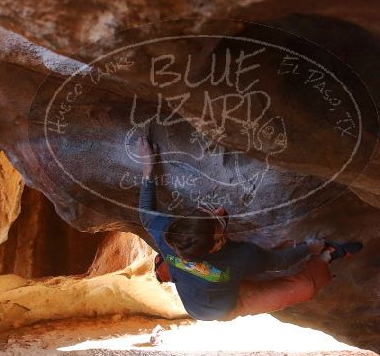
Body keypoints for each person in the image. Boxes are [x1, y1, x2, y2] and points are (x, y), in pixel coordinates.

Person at [136, 135, 362, 321]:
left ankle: (164, 268)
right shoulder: (242, 256)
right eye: (219, 234)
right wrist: (311, 249)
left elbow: (145, 209)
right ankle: (328, 256)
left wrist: (148, 165)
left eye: (210, 219)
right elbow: (280, 261)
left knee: (182, 269)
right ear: (213, 249)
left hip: (204, 283)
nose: (219, 213)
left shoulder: (165, 232)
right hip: (227, 306)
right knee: (305, 288)